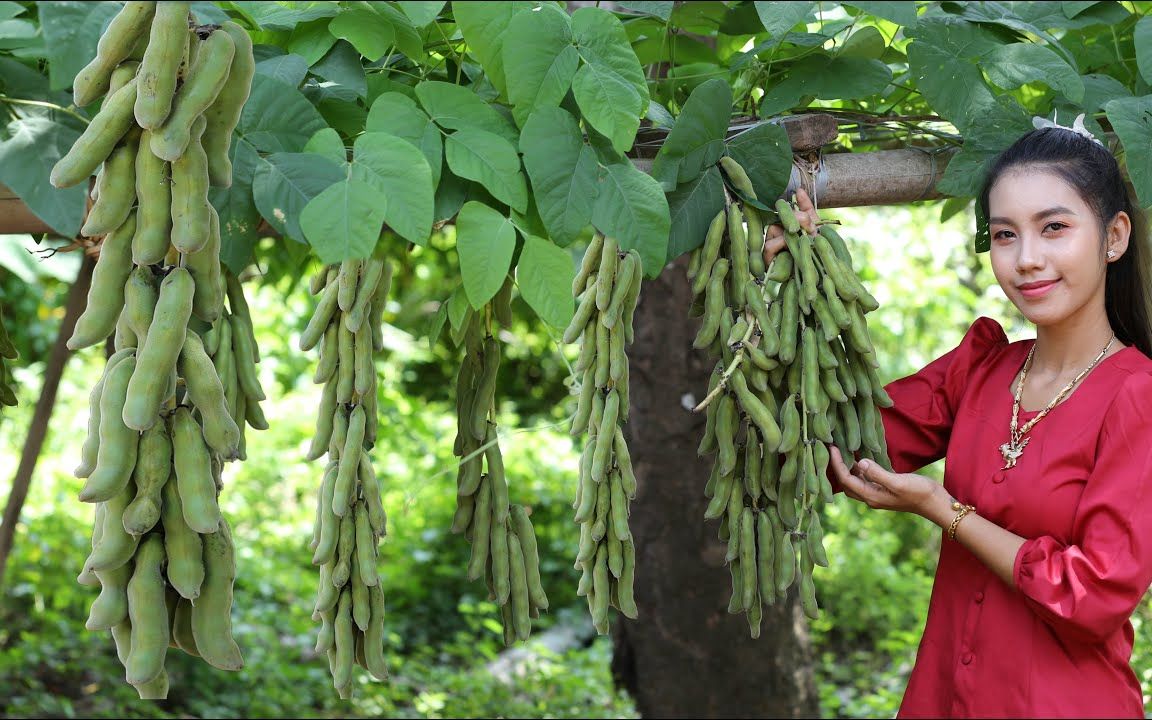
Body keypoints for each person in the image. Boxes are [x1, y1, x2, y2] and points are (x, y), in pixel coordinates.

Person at [761, 122, 1152, 718]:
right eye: (1003, 235)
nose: (1026, 259)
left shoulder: (1138, 396)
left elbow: (1093, 595)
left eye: (1054, 228)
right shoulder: (983, 370)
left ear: (1114, 236)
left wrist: (942, 509)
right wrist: (797, 284)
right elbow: (836, 443)